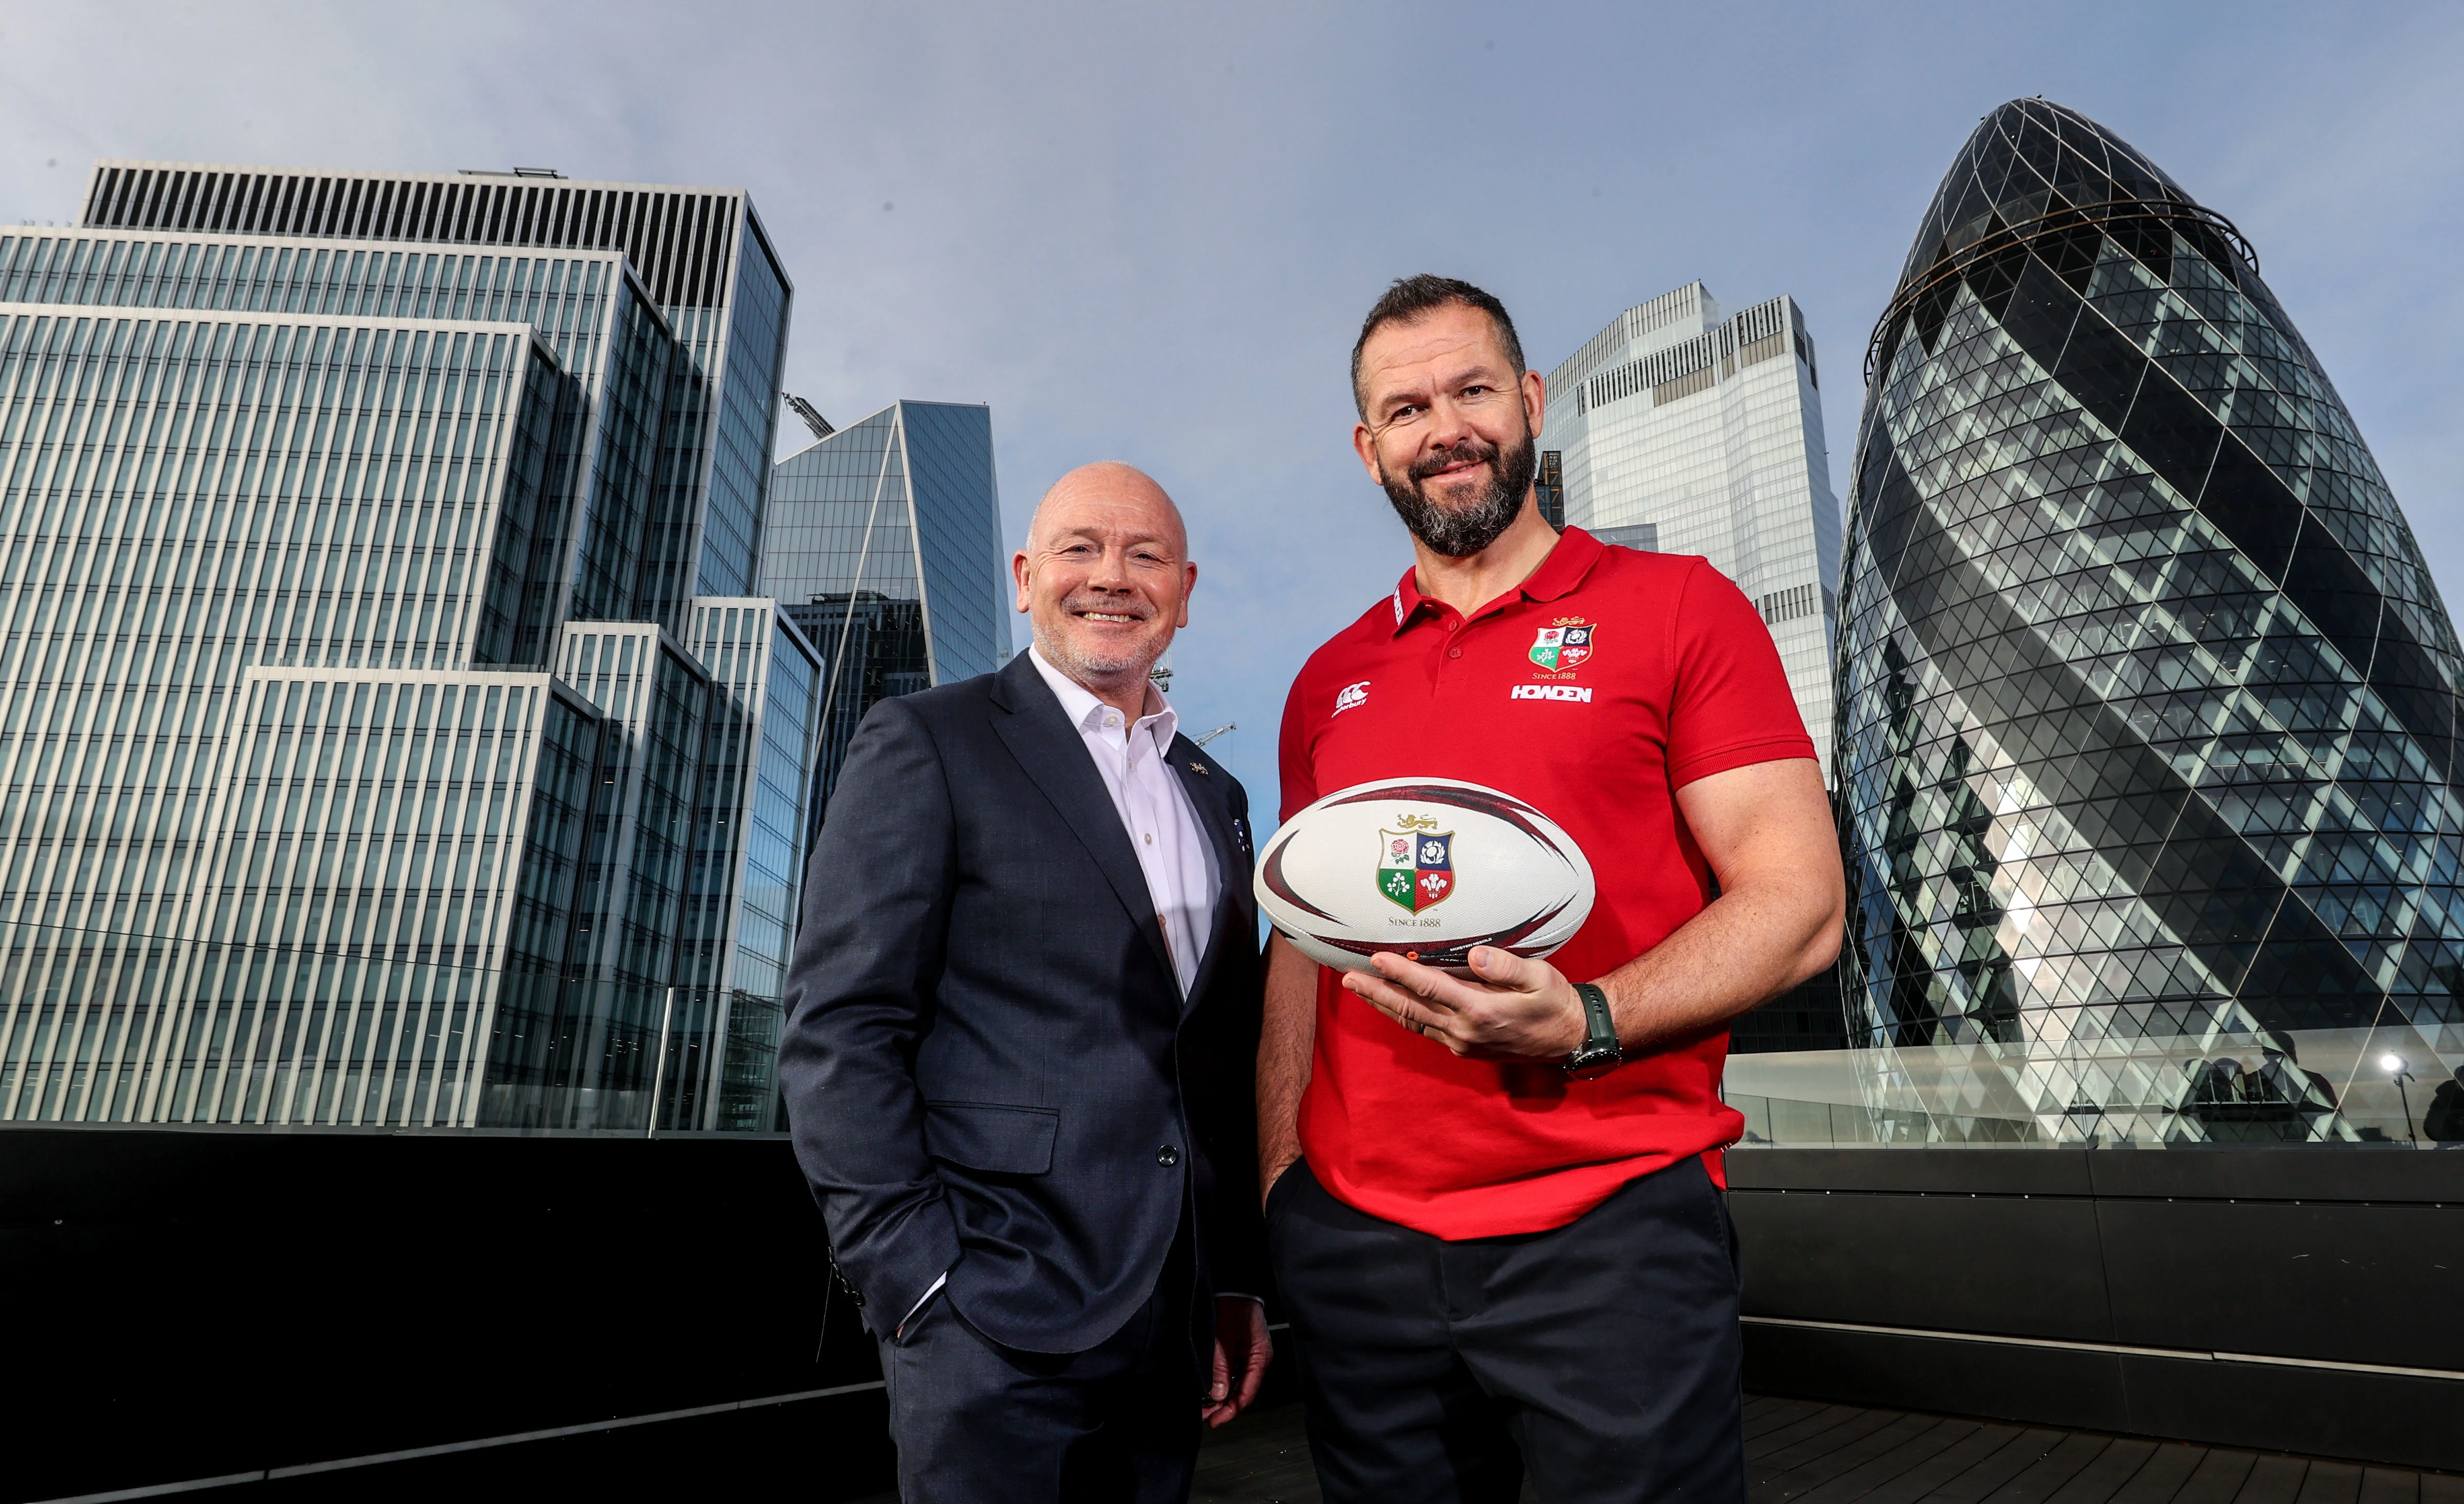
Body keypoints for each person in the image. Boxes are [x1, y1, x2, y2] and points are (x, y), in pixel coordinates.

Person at [1260, 276, 1846, 1503]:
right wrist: (1282, 1185)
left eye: (1472, 389)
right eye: (1407, 407)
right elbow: (1299, 950)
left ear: (1527, 402)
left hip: (1608, 1232)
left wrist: (1588, 1020)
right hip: (1360, 1250)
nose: (1446, 427)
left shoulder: (1681, 608)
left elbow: (1798, 902)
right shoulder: (1327, 682)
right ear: (1369, 449)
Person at [779, 462, 1272, 1502]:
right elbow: (841, 1028)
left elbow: (1214, 1057)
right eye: (1079, 549)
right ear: (1023, 576)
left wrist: (1227, 1278)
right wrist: (917, 1282)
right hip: (986, 1316)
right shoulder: (929, 740)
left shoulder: (1216, 793)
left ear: (1182, 591)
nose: (1112, 577)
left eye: (1145, 556)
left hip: (1167, 1322)